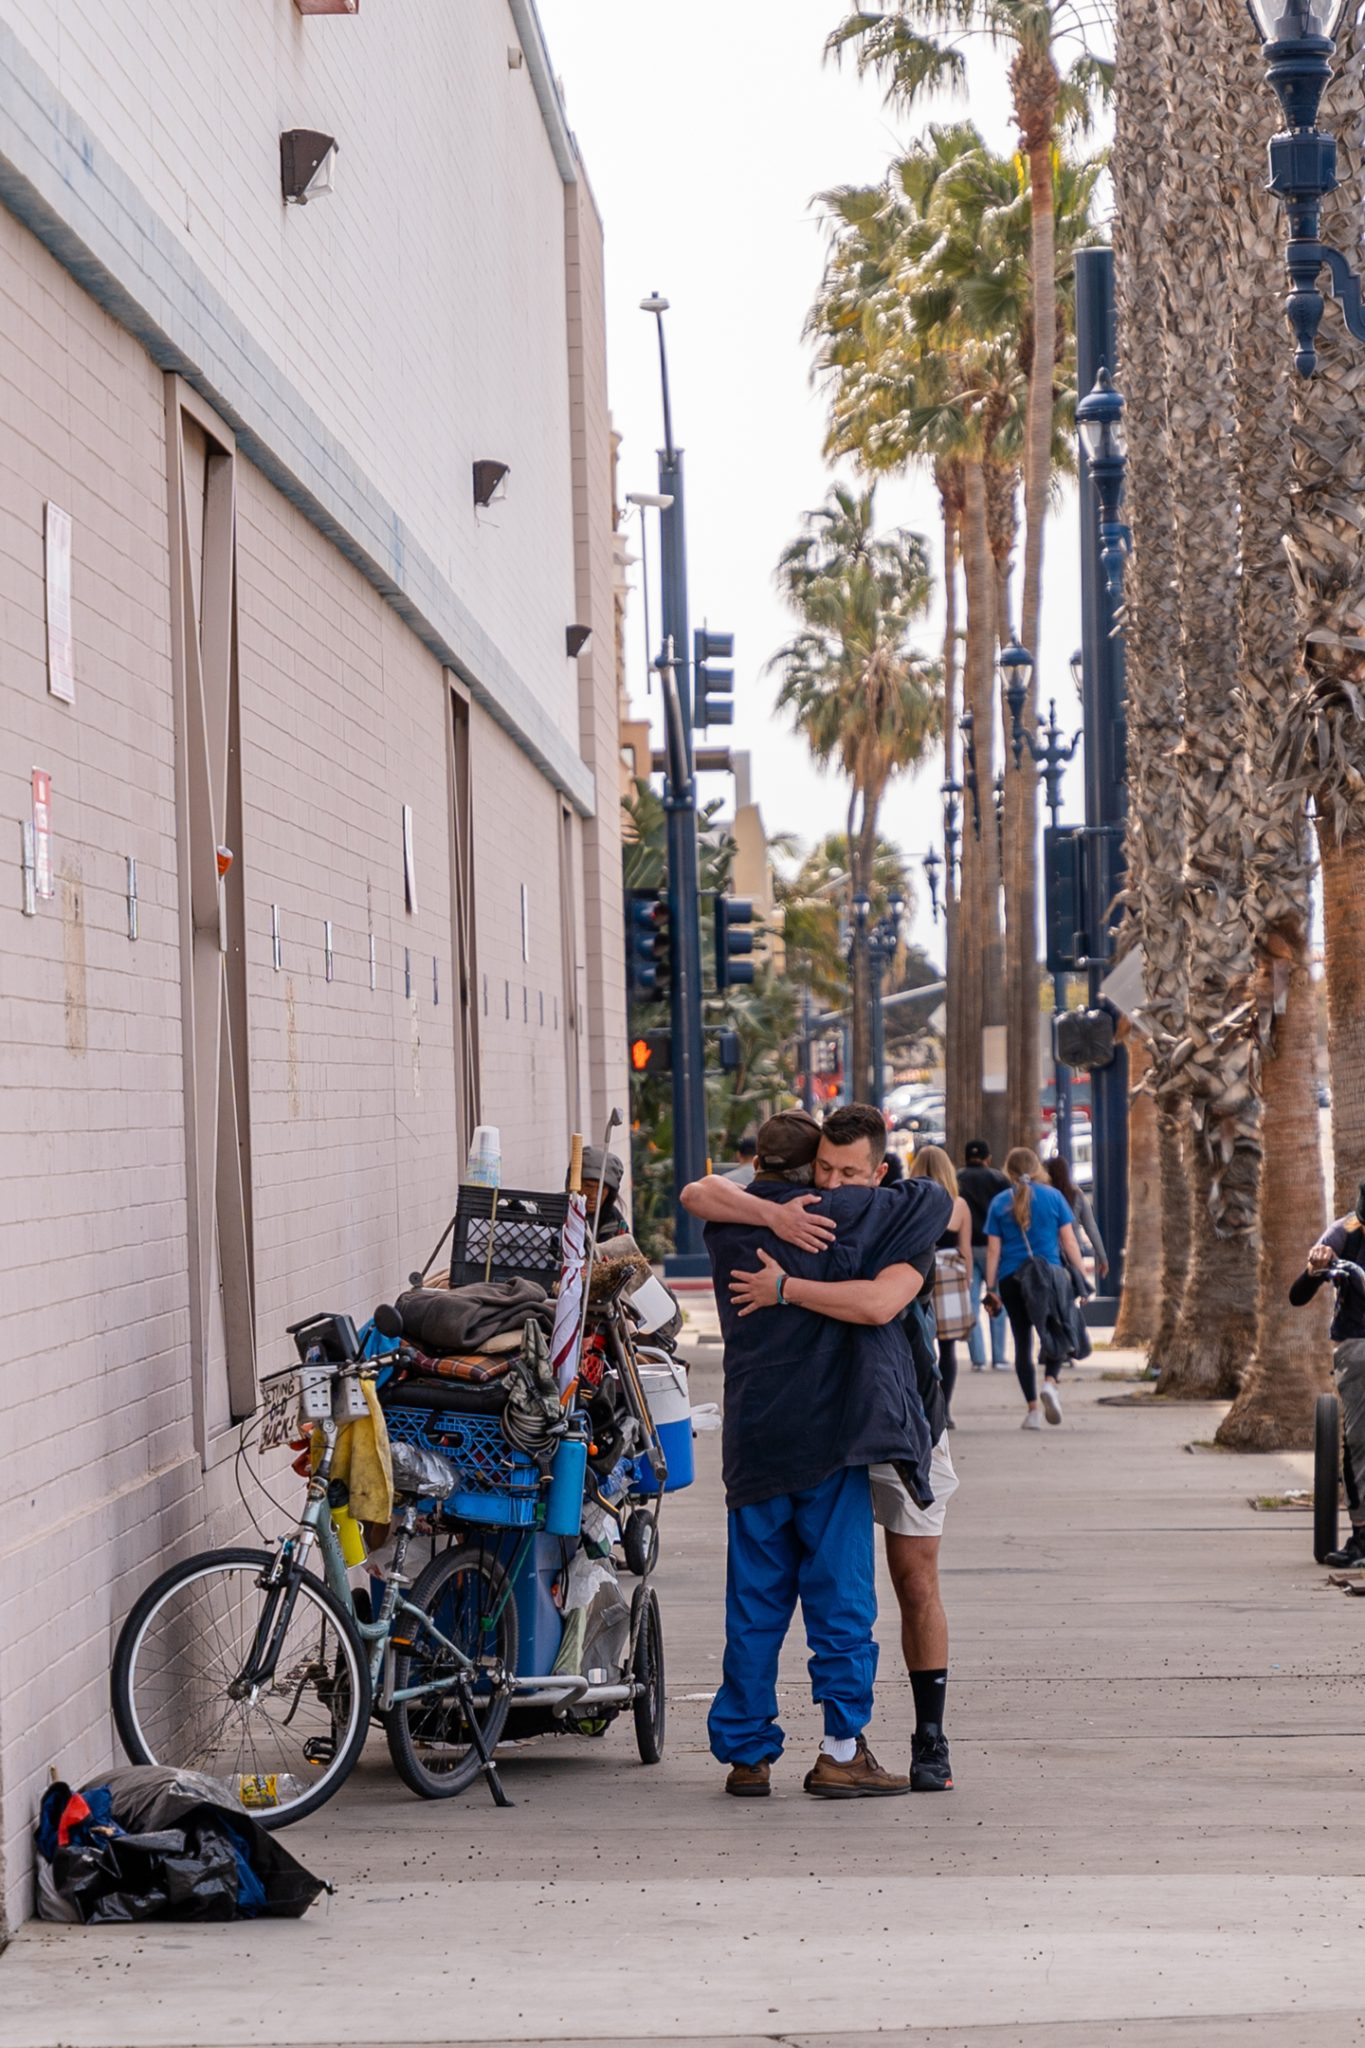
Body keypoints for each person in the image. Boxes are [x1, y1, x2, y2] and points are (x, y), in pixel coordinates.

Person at [681, 1108, 951, 1799]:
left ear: (756, 1165)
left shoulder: (726, 1226)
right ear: (809, 1171)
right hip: (829, 1439)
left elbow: (698, 1192)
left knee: (753, 1606)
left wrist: (765, 1214)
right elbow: (935, 1200)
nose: (831, 1184)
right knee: (841, 1604)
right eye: (825, 1171)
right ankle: (840, 1751)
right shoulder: (850, 1217)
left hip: (753, 1441)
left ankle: (746, 1756)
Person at [1290, 1184, 1365, 1567]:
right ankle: (1362, 1536)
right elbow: (1298, 1294)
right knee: (1359, 1438)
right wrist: (1316, 1266)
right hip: (1358, 1341)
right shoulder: (1345, 1232)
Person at [982, 1147, 1084, 1430]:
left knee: (1022, 1343)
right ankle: (1050, 1382)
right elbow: (1069, 1241)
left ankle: (1032, 1412)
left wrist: (991, 1287)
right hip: (1050, 1276)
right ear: (1037, 1168)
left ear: (1008, 1171)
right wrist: (1080, 1275)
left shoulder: (1000, 1202)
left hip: (1012, 1279)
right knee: (1058, 1331)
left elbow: (993, 1250)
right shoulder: (1054, 1197)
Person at [908, 1146, 973, 1429]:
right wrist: (967, 1281)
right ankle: (944, 1410)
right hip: (950, 1276)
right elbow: (965, 1248)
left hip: (917, 1274)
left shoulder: (911, 1201)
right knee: (948, 1348)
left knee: (920, 1343)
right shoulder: (959, 1204)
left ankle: (923, 1408)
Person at [958, 1140, 1009, 1371]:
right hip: (993, 1247)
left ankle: (977, 1357)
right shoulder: (999, 1179)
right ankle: (998, 1357)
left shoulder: (958, 1178)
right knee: (996, 1299)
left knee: (970, 1304)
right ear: (988, 1158)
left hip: (966, 1247)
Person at [1044, 1154, 1109, 1284]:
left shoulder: (1044, 1197)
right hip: (1073, 1255)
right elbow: (1091, 1228)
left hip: (1049, 1255)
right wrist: (1102, 1257)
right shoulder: (1077, 1195)